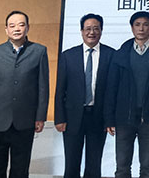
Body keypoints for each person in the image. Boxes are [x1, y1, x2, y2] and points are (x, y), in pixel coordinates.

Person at [0, 10, 50, 178]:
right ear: (6, 29)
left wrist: (40, 117)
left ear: (28, 28)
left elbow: (43, 87)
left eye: (21, 25)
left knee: (20, 170)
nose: (17, 29)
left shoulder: (39, 52)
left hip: (24, 121)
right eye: (12, 25)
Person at [104, 11, 149, 178]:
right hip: (123, 118)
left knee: (147, 165)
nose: (141, 28)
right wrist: (109, 119)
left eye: (146, 24)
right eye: (137, 24)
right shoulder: (121, 54)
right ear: (132, 28)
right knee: (122, 165)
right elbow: (111, 88)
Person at [55, 13, 115, 178]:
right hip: (72, 117)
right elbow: (60, 90)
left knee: (94, 164)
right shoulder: (68, 56)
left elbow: (112, 91)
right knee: (71, 164)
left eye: (96, 28)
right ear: (81, 31)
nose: (92, 32)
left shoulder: (111, 55)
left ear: (101, 31)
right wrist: (59, 118)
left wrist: (110, 120)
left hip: (98, 117)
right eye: (88, 29)